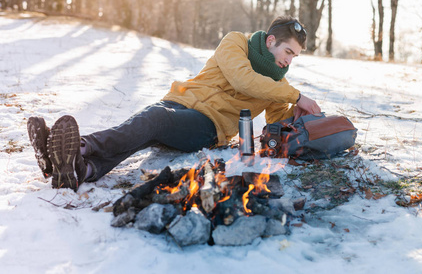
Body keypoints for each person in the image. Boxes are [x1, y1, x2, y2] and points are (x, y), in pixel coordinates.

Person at [27, 15, 321, 192]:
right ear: (270, 41)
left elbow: (275, 125)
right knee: (145, 128)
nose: (289, 60)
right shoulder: (236, 43)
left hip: (208, 126)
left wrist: (296, 114)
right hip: (178, 101)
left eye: (294, 56)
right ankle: (79, 170)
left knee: (154, 120)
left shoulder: (280, 87)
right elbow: (243, 79)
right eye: (288, 51)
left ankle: (78, 146)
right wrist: (294, 94)